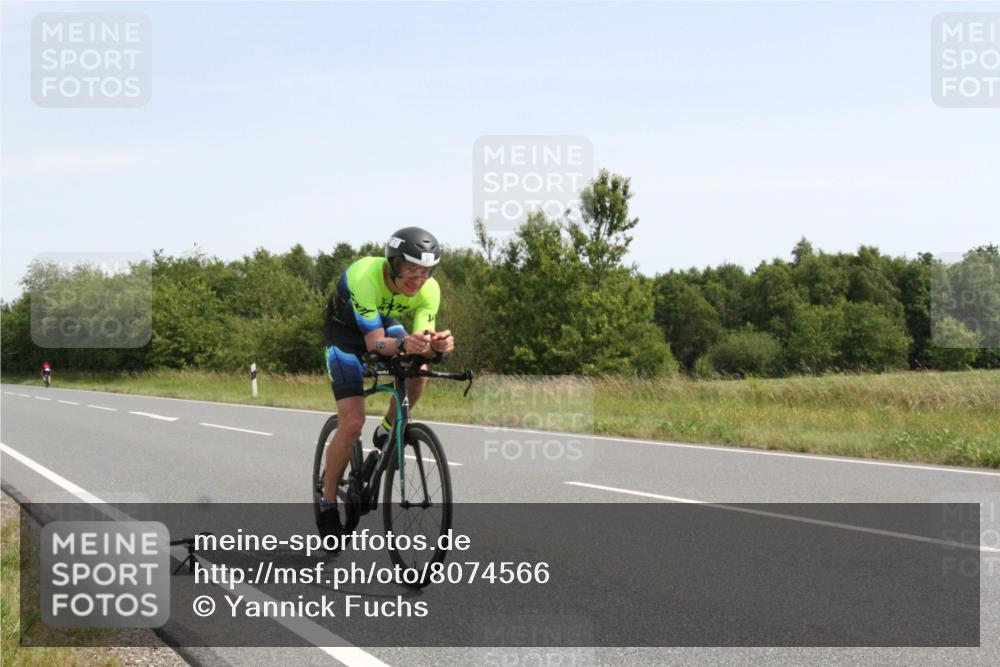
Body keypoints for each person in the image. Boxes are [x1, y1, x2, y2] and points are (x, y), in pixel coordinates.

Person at [319, 227, 455, 540]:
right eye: (410, 269)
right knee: (352, 422)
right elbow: (374, 343)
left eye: (425, 272)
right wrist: (407, 344)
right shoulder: (365, 275)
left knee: (417, 368)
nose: (417, 280)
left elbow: (418, 341)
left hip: (383, 326)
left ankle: (386, 430)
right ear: (393, 264)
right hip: (346, 335)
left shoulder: (429, 290)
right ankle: (327, 501)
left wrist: (436, 346)